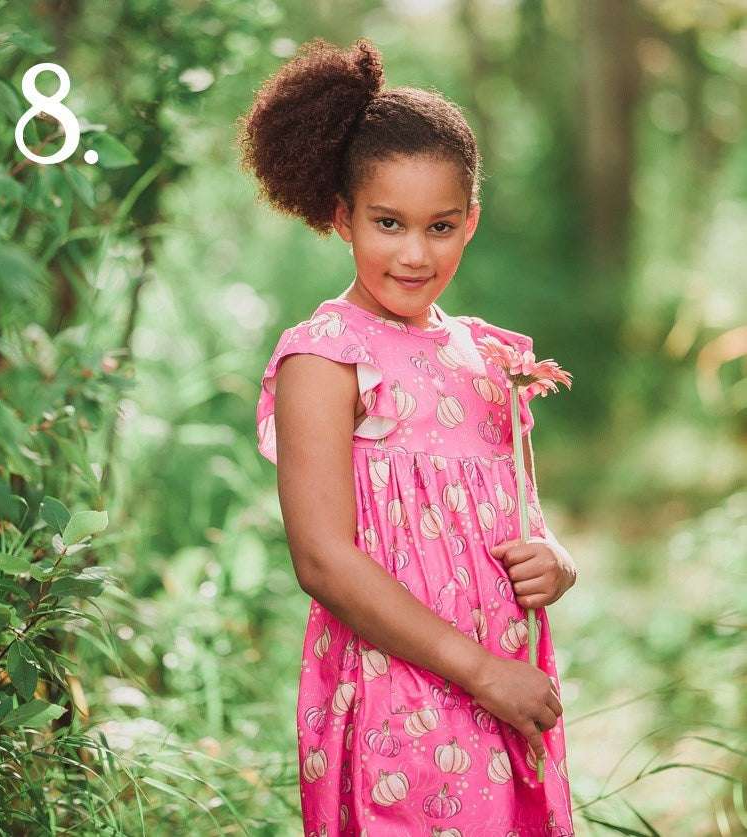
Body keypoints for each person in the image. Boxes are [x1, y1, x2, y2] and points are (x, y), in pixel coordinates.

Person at [238, 36, 577, 836]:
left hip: (508, 689)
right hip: (404, 695)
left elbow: (508, 513)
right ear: (341, 217)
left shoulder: (487, 354)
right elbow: (322, 559)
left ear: (471, 224)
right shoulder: (325, 358)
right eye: (388, 223)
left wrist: (554, 556)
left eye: (441, 225)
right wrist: (482, 672)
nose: (415, 253)